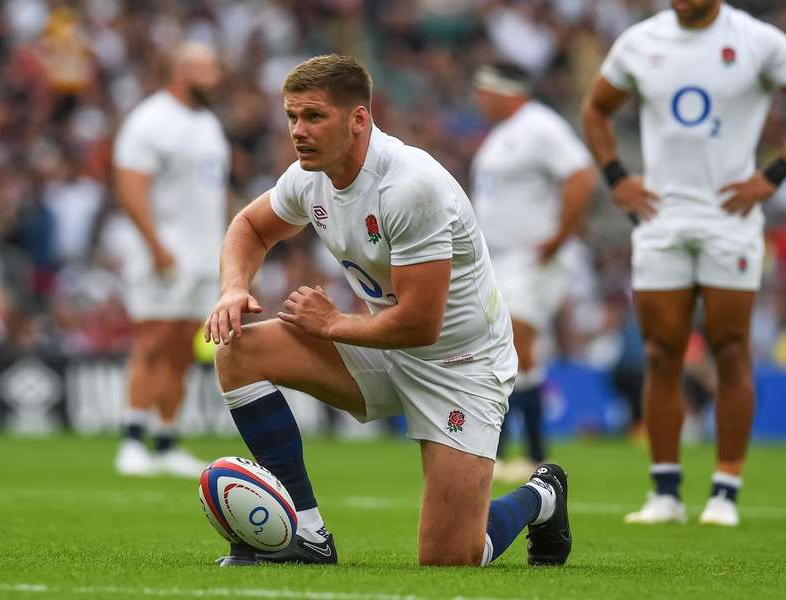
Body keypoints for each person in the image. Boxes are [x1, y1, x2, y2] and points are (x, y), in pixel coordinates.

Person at [205, 54, 571, 568]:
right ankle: (306, 535)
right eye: (292, 117)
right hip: (382, 341)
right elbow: (251, 226)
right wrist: (231, 288)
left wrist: (333, 324)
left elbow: (424, 324)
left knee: (450, 559)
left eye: (313, 117)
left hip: (460, 365)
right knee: (237, 350)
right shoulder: (310, 176)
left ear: (358, 119)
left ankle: (542, 494)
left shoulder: (410, 186)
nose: (297, 131)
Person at [582, 0, 786, 526]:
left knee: (732, 349)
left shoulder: (758, 41)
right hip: (661, 219)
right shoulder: (641, 41)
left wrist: (773, 175)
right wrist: (616, 177)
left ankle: (725, 492)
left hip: (729, 219)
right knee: (661, 352)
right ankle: (665, 493)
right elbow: (595, 109)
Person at [470, 64, 596, 482]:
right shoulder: (501, 135)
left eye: (483, 91)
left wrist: (559, 237)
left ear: (505, 91)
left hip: (531, 258)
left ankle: (519, 453)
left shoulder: (540, 126)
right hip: (500, 259)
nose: (478, 99)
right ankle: (525, 453)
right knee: (507, 347)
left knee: (517, 341)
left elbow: (580, 176)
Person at [111, 43, 230, 477]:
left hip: (202, 255)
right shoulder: (150, 121)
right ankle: (131, 439)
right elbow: (130, 185)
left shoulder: (208, 124)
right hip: (162, 252)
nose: (216, 80)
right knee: (152, 339)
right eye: (209, 71)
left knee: (183, 345)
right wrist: (155, 245)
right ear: (183, 72)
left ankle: (165, 440)